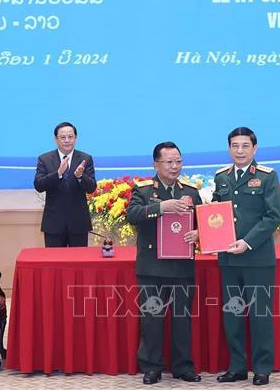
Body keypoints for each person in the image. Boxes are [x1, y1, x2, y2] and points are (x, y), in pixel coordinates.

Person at [126, 141, 203, 385]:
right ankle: (152, 367)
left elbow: (203, 222)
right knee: (152, 318)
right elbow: (132, 215)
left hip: (182, 267)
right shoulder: (143, 190)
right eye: (169, 162)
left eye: (178, 161)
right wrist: (161, 207)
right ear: (155, 164)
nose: (174, 166)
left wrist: (199, 233)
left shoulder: (191, 192)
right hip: (153, 267)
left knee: (182, 319)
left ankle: (183, 367)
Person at [212, 127, 280, 387]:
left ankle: (262, 368)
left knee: (259, 315)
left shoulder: (267, 176)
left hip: (257, 258)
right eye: (235, 146)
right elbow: (216, 213)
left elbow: (273, 216)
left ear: (254, 148)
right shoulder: (221, 176)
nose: (240, 150)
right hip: (228, 258)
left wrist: (247, 242)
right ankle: (237, 367)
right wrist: (205, 232)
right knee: (232, 315)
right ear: (229, 148)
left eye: (245, 146)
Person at [34, 122, 97, 247]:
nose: (67, 140)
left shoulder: (85, 158)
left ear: (76, 138)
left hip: (78, 223)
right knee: (54, 259)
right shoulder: (44, 159)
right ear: (55, 139)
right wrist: (58, 173)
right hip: (53, 224)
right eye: (63, 137)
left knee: (79, 259)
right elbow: (39, 185)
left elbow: (91, 188)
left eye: (70, 137)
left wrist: (80, 176)